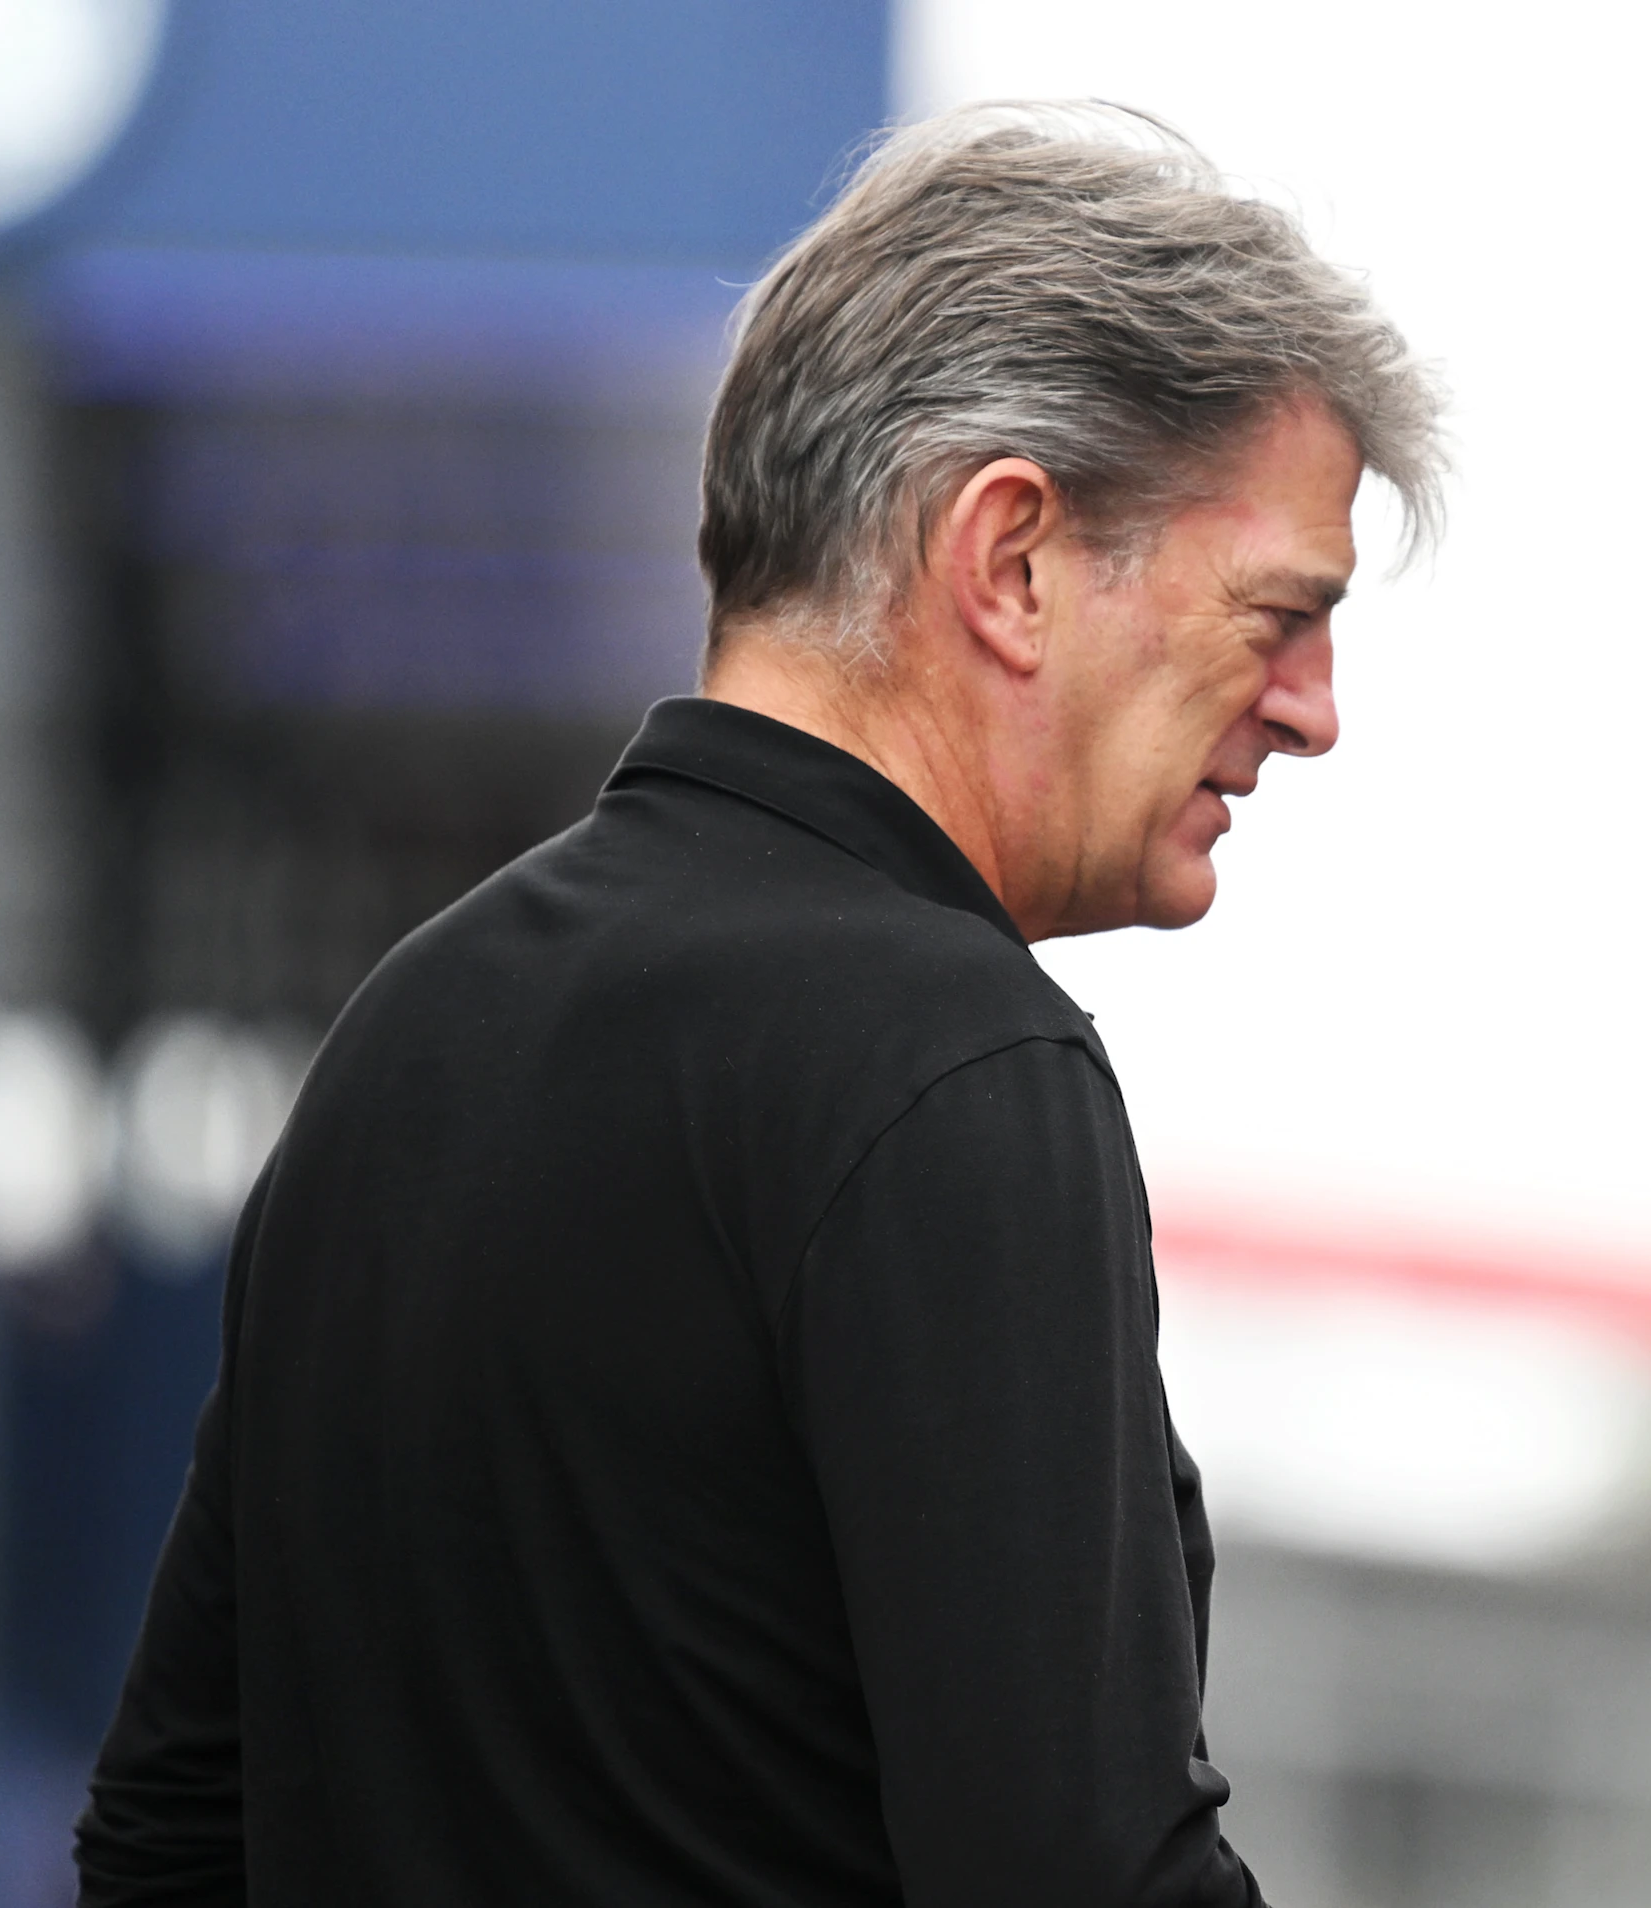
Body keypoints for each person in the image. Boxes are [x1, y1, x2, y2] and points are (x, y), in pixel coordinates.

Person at [75, 103, 1440, 1905]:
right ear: (1012, 558)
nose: (1313, 705)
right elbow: (1075, 1873)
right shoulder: (950, 1064)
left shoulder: (408, 1036)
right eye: (1279, 610)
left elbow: (172, 1835)